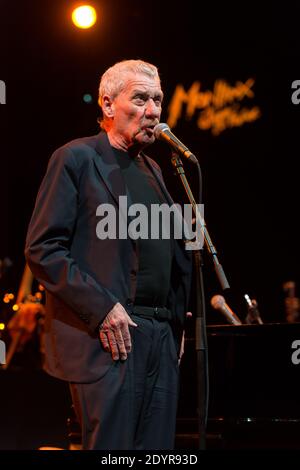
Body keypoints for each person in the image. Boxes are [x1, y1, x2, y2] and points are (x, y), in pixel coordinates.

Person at [25, 59, 193, 450]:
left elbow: (171, 252)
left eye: (158, 100)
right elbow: (43, 247)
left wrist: (177, 321)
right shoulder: (76, 159)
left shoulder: (155, 169)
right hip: (109, 337)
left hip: (159, 337)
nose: (152, 111)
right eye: (140, 99)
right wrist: (101, 308)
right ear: (107, 104)